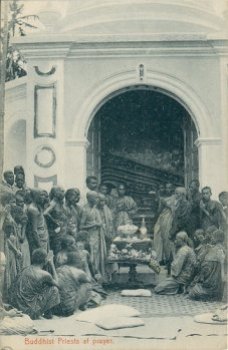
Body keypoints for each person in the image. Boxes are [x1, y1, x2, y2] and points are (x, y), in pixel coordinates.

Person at [10, 248, 60, 319]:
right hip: (30, 311)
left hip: (19, 308)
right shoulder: (44, 274)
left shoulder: (24, 269)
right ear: (45, 260)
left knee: (44, 287)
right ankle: (46, 315)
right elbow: (58, 284)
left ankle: (41, 314)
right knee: (54, 289)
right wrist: (52, 264)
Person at [189, 229, 225, 301]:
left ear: (215, 238)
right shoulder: (224, 249)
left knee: (193, 290)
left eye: (212, 236)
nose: (211, 238)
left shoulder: (211, 250)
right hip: (219, 287)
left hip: (211, 287)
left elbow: (205, 271)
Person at [53, 252, 92, 316]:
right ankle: (82, 306)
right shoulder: (78, 272)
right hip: (69, 308)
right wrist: (86, 265)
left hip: (57, 308)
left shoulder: (59, 269)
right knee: (87, 285)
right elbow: (90, 280)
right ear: (78, 261)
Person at [80, 191, 102, 276]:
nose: (97, 199)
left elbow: (100, 222)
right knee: (90, 257)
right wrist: (94, 224)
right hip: (89, 237)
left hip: (96, 236)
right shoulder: (85, 210)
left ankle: (96, 276)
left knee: (96, 257)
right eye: (96, 197)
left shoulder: (95, 209)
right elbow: (81, 226)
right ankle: (91, 276)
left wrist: (98, 224)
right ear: (89, 198)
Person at [153, 186, 176, 264]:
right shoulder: (162, 198)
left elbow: (174, 208)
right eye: (166, 188)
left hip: (170, 218)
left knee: (167, 237)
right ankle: (160, 258)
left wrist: (165, 203)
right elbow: (159, 210)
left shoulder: (175, 197)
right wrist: (161, 203)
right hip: (162, 218)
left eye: (170, 187)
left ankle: (168, 259)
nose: (168, 189)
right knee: (157, 235)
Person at [44, 186, 67, 254]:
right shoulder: (53, 203)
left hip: (62, 231)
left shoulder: (60, 203)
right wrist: (54, 222)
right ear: (56, 193)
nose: (64, 193)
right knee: (57, 250)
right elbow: (45, 213)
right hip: (56, 232)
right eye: (62, 191)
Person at [26, 189, 49, 255]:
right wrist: (40, 247)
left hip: (43, 238)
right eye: (41, 195)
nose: (43, 197)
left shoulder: (39, 206)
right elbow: (34, 230)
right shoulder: (33, 209)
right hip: (38, 241)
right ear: (35, 196)